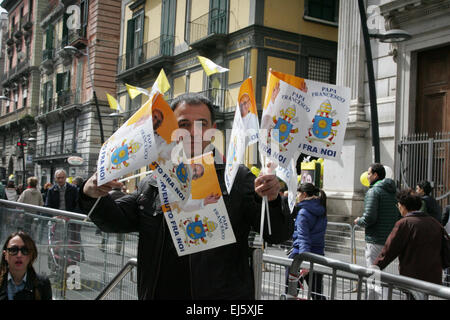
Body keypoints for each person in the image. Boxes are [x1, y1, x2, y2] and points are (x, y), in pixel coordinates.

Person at [79, 92, 293, 300]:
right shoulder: (152, 182)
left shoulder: (237, 177)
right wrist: (90, 193)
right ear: (169, 130)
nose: (193, 132)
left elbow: (277, 235)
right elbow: (115, 220)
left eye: (202, 124)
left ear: (213, 130)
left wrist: (272, 200)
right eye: (183, 125)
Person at [373, 188, 445, 299]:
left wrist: (376, 266)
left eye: (398, 205)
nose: (398, 208)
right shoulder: (434, 223)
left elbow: (390, 249)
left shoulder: (404, 223)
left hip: (412, 278)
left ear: (403, 206)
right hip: (433, 278)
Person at [354, 163, 400, 299]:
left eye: (369, 173)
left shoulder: (374, 191)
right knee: (384, 277)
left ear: (375, 175)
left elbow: (370, 217)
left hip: (375, 239)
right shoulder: (394, 192)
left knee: (373, 276)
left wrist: (359, 221)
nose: (367, 176)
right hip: (389, 238)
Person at [285, 183, 327, 300]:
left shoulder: (303, 212)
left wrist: (305, 261)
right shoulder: (322, 210)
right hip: (318, 255)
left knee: (290, 292)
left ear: (304, 194)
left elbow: (303, 238)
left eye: (298, 193)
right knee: (317, 293)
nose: (297, 196)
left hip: (301, 257)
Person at [0, 231, 52, 300]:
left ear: (31, 255)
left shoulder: (42, 284)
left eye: (25, 250)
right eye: (13, 250)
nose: (19, 255)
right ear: (5, 255)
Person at [45, 169, 83, 263]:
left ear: (65, 178)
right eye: (58, 178)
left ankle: (73, 259)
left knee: (72, 241)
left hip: (70, 220)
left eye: (62, 177)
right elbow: (47, 206)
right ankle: (55, 260)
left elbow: (78, 205)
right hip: (57, 221)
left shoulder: (73, 189)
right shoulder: (51, 190)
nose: (60, 180)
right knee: (56, 242)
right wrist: (54, 216)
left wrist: (71, 216)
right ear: (55, 179)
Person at [99, 186, 127, 255]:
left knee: (105, 233)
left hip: (108, 217)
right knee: (119, 236)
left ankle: (103, 247)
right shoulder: (124, 195)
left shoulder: (109, 194)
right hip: (120, 217)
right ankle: (117, 251)